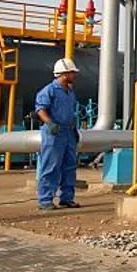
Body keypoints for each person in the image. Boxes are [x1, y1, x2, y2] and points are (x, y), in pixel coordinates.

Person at [35, 57, 82, 210]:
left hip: (68, 132)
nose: (75, 75)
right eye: (72, 72)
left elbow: (70, 112)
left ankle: (67, 198)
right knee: (51, 166)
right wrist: (50, 124)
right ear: (64, 74)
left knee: (69, 167)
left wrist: (74, 130)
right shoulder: (49, 90)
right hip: (54, 133)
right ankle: (45, 200)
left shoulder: (70, 91)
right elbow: (40, 109)